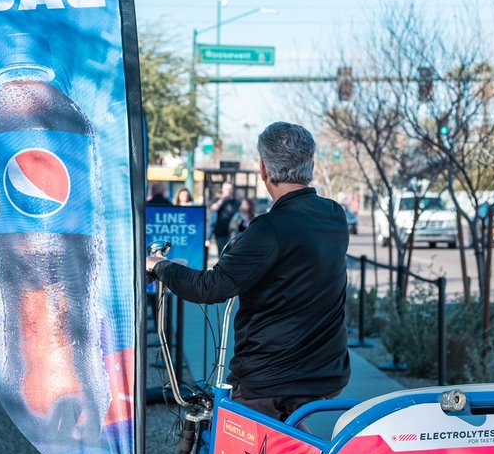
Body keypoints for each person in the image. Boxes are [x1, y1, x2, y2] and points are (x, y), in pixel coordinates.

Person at [147, 122, 350, 421]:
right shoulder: (334, 215)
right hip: (326, 368)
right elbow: (289, 269)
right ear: (311, 165)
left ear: (264, 169)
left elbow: (211, 288)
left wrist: (160, 267)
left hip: (272, 376)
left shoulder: (269, 229)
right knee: (284, 447)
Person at [208, 180, 240, 256]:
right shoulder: (217, 200)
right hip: (220, 233)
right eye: (225, 189)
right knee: (222, 254)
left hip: (233, 233)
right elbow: (213, 208)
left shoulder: (237, 202)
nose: (228, 191)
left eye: (229, 189)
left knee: (233, 255)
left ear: (232, 190)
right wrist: (222, 199)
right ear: (222, 190)